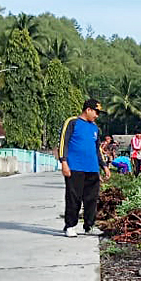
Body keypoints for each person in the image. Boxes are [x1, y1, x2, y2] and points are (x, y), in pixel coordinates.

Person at [57, 99, 111, 238]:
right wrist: (63, 162)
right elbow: (63, 143)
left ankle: (89, 226)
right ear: (88, 110)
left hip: (92, 168)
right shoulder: (72, 122)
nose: (97, 115)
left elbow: (97, 149)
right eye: (96, 112)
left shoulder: (95, 128)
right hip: (75, 167)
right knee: (74, 197)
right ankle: (70, 226)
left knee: (91, 199)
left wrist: (104, 166)